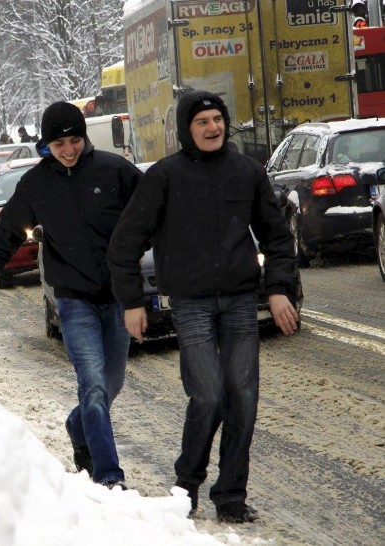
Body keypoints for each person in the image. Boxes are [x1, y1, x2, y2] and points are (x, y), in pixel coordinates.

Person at [107, 90, 299, 523]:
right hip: (191, 303)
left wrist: (278, 288)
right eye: (202, 122)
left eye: (217, 119)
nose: (213, 128)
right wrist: (132, 302)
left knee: (242, 397)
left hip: (238, 302)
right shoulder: (164, 177)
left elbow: (278, 238)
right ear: (186, 130)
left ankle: (230, 496)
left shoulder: (247, 173)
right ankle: (186, 487)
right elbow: (124, 245)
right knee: (209, 395)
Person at [0, 101, 142, 489]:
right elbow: (7, 232)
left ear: (84, 138)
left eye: (75, 140)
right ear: (46, 145)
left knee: (110, 387)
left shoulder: (114, 171)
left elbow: (153, 211)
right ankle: (109, 476)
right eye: (58, 143)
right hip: (73, 298)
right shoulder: (36, 184)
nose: (68, 150)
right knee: (93, 385)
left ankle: (76, 426)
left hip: (117, 296)